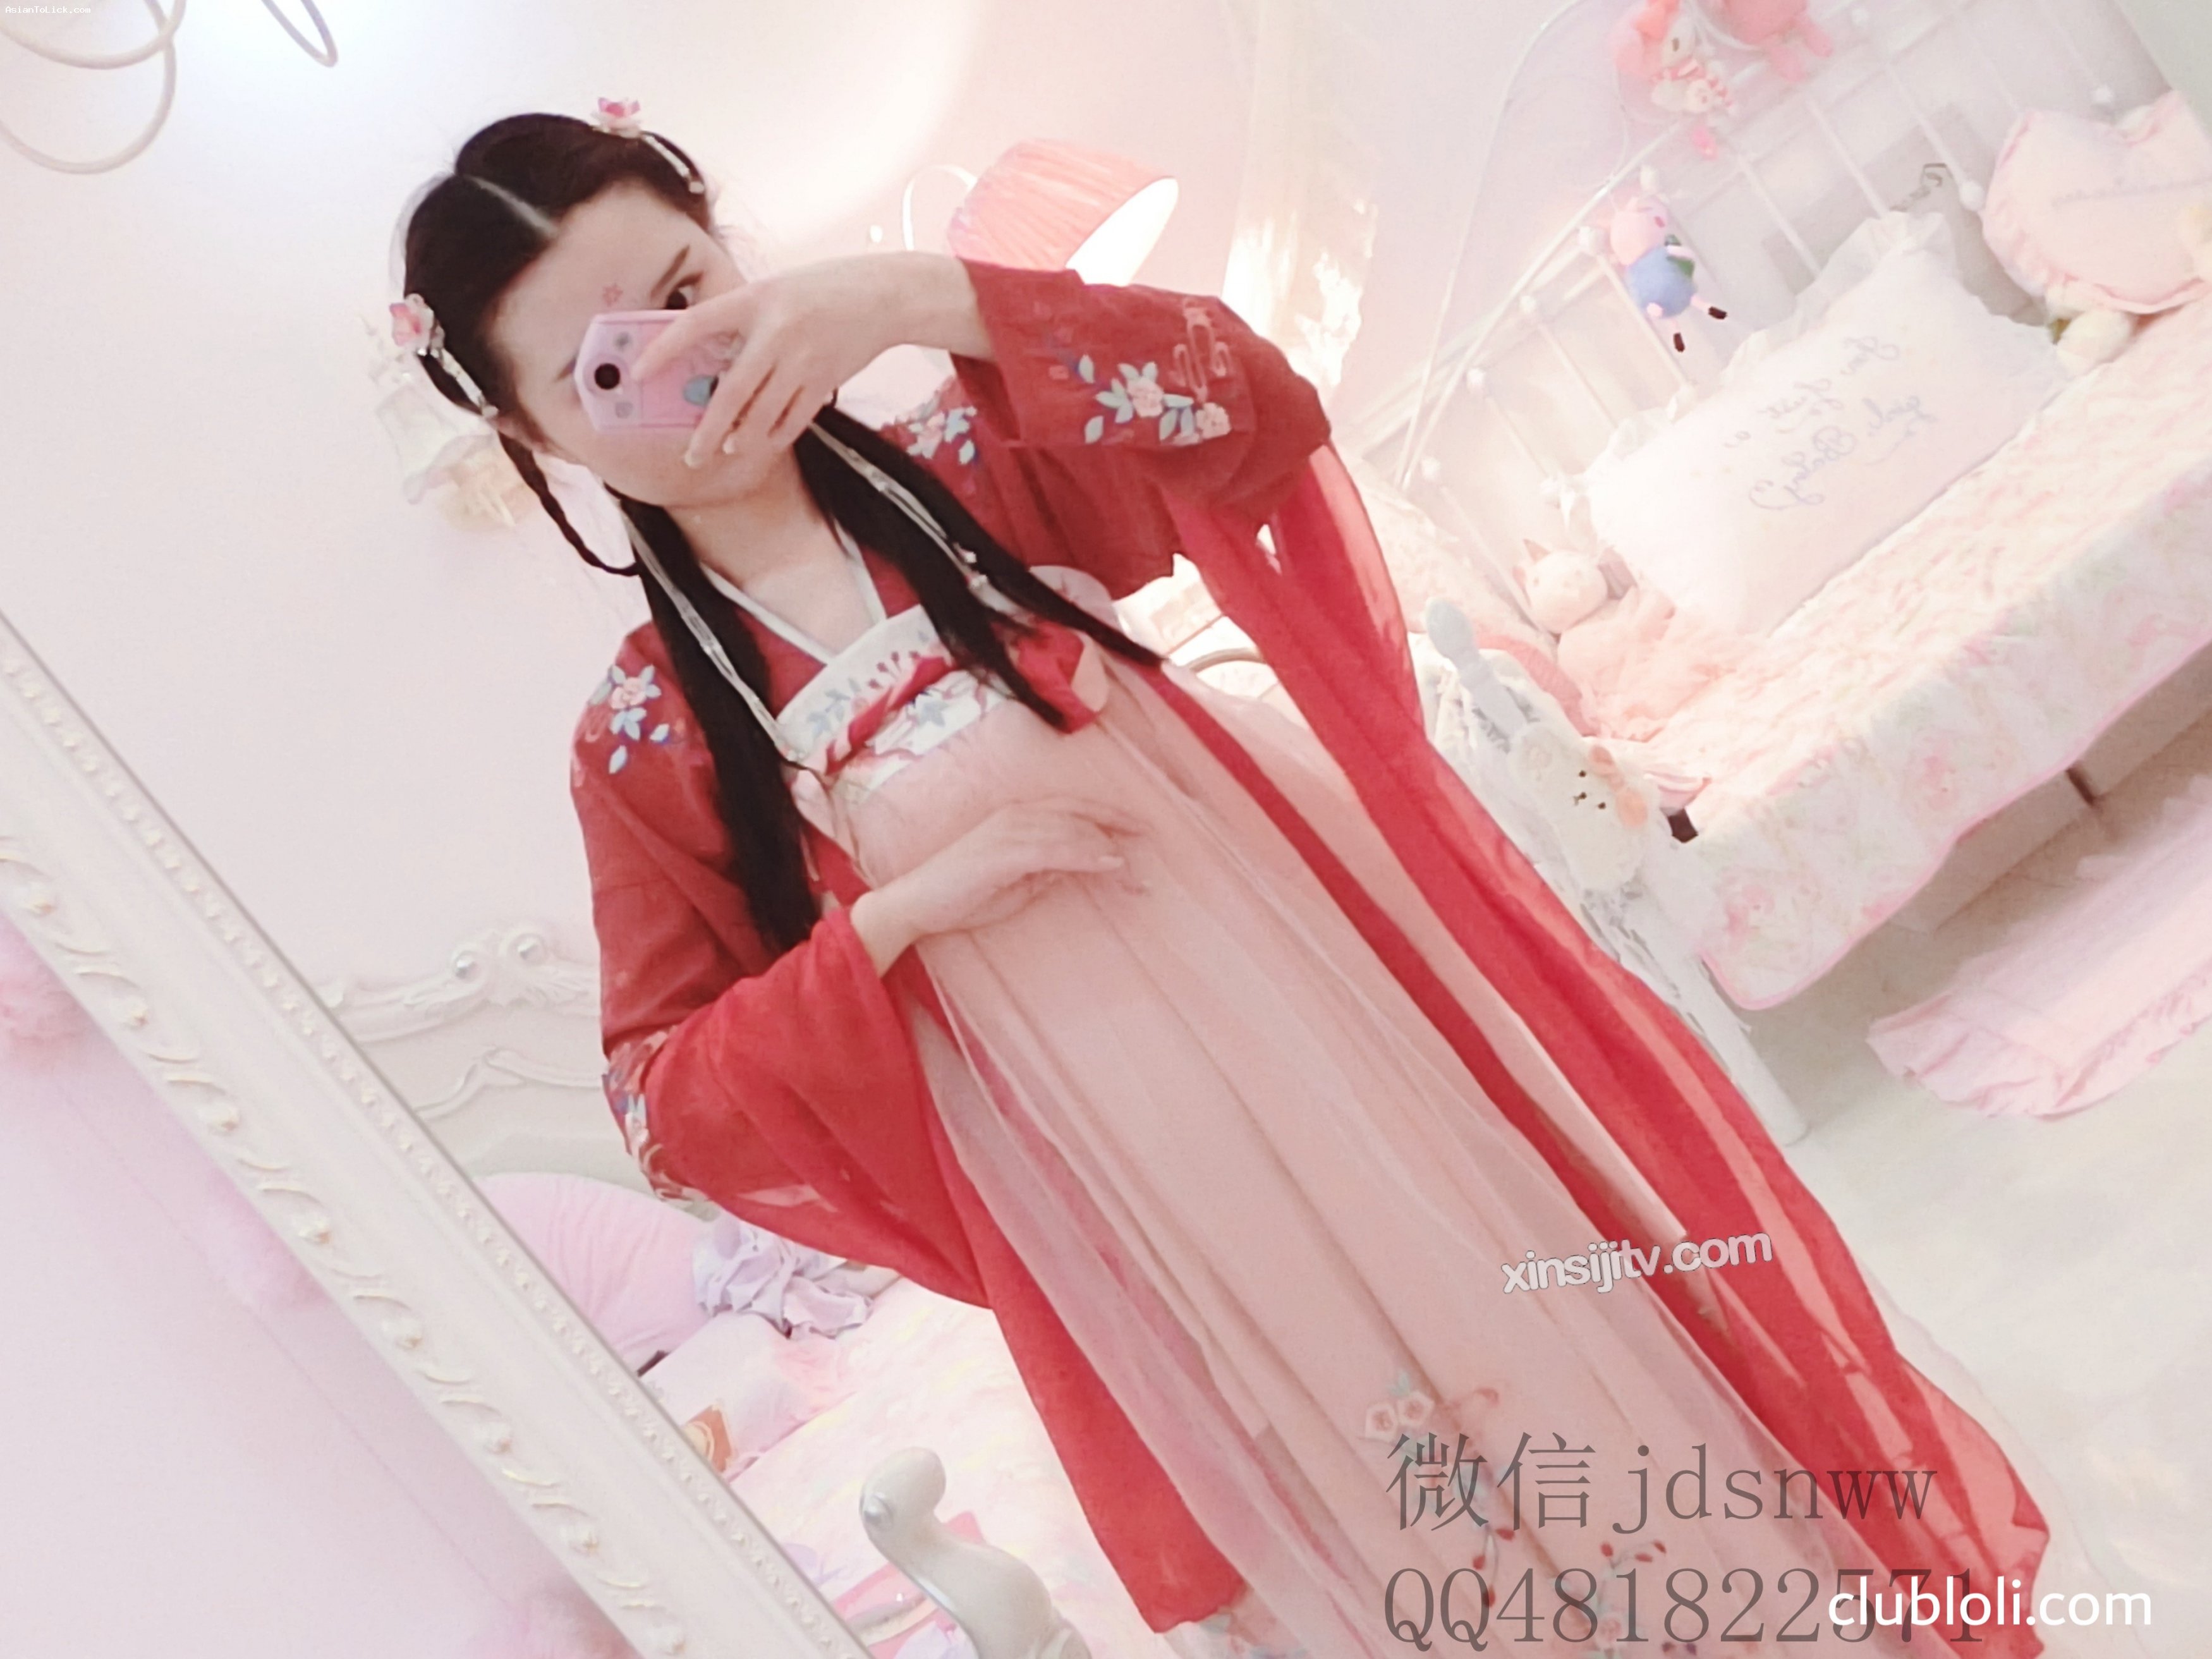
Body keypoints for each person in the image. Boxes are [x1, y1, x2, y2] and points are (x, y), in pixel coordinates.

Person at [394, 109, 2048, 1657]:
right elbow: (665, 1099)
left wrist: (911, 297)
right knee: (1373, 1457)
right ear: (530, 436)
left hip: (1316, 996)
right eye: (604, 368)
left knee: (1531, 1306)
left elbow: (1243, 401)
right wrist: (898, 918)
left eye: (691, 291)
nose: (685, 369)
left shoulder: (974, 456)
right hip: (1118, 1167)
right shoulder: (648, 737)